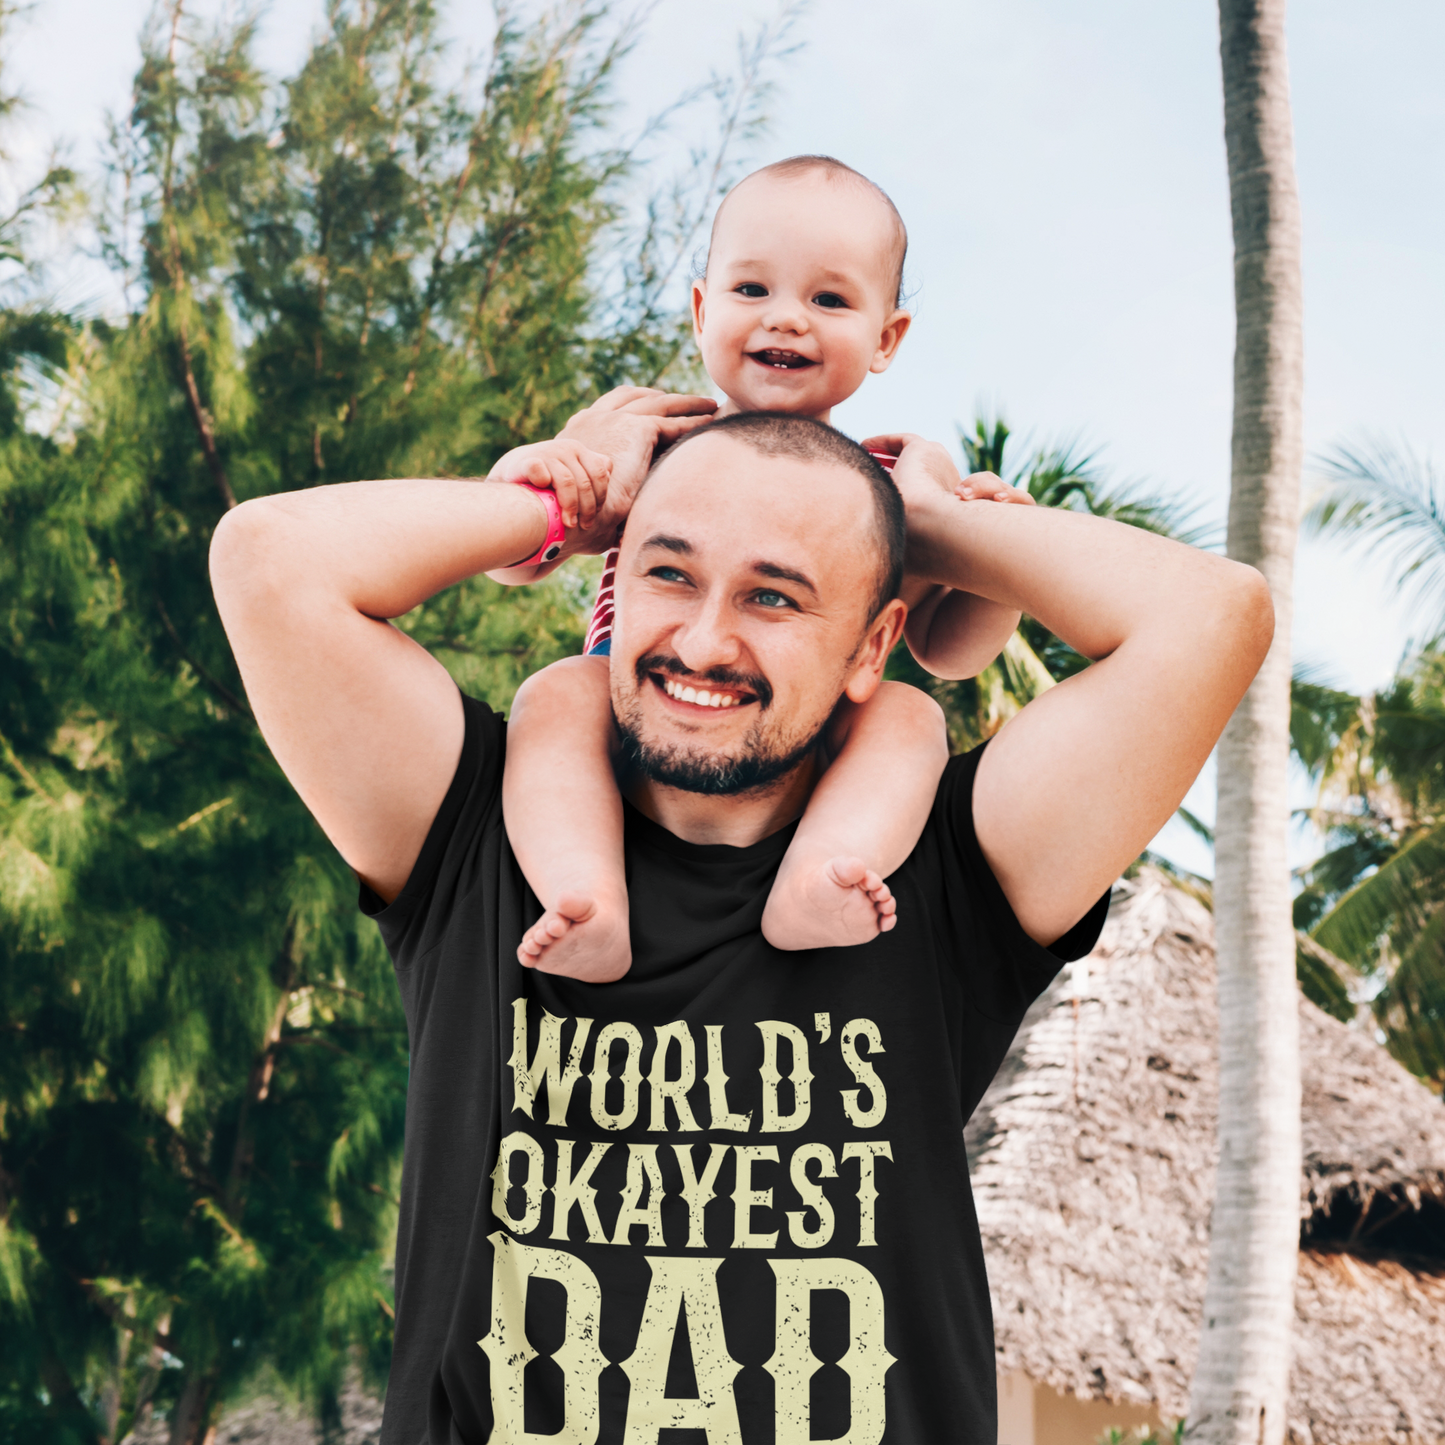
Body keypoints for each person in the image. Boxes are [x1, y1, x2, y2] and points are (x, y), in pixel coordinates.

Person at [209, 394, 1272, 1445]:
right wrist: (562, 501)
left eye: (775, 596)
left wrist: (917, 518)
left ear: (870, 647)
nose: (702, 639)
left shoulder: (946, 866)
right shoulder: (477, 829)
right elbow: (269, 557)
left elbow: (1211, 614)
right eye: (667, 572)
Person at [489, 156, 1034, 982]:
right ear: (702, 310)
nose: (786, 320)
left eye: (828, 299)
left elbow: (945, 650)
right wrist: (546, 471)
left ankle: (824, 872)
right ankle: (583, 893)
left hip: (791, 737)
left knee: (910, 719)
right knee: (554, 693)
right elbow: (516, 561)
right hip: (630, 704)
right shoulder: (651, 445)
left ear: (886, 337)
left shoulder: (886, 491)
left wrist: (992, 558)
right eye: (751, 291)